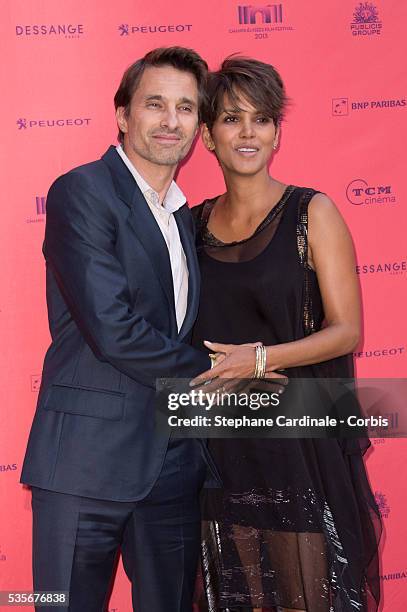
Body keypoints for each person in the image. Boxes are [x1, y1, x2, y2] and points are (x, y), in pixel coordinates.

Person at [20, 46, 228, 612]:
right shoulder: (83, 191)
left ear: (197, 125)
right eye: (155, 104)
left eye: (186, 108)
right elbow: (112, 329)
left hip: (173, 465)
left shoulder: (185, 216)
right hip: (85, 464)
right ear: (122, 114)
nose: (170, 121)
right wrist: (221, 371)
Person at [191, 57, 381, 611]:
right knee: (239, 598)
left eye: (262, 119)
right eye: (231, 119)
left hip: (298, 444)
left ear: (277, 132)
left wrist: (259, 358)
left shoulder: (311, 211)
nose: (248, 132)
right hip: (221, 448)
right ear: (207, 135)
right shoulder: (192, 226)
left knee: (307, 598)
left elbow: (347, 331)